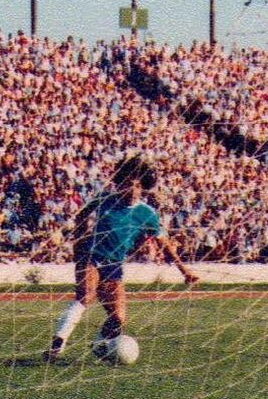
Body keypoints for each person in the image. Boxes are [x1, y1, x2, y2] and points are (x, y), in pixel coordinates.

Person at [43, 154, 198, 363]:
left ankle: (99, 344)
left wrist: (184, 271)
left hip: (114, 265)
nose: (131, 189)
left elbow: (164, 243)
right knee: (86, 296)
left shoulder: (146, 213)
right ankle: (56, 346)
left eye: (135, 185)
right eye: (126, 184)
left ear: (141, 187)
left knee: (118, 319)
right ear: (119, 184)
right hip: (91, 256)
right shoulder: (104, 200)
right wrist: (79, 239)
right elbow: (81, 214)